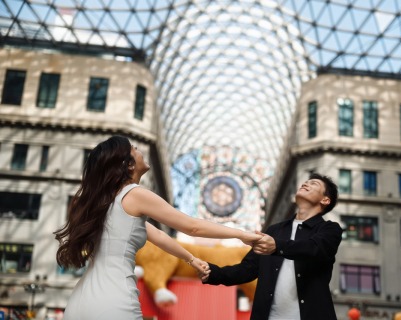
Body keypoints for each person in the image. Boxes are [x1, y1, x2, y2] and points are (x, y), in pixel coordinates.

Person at [54, 135, 261, 320]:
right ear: (128, 165)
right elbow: (192, 227)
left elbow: (160, 237)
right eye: (135, 148)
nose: (140, 150)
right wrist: (242, 235)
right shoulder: (135, 194)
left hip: (80, 301)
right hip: (114, 300)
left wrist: (192, 260)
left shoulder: (105, 204)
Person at [200, 173, 343, 320]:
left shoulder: (330, 229)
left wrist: (277, 246)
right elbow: (247, 269)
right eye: (306, 182)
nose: (306, 184)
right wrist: (212, 272)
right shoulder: (274, 231)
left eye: (314, 184)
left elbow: (315, 248)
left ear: (325, 200)